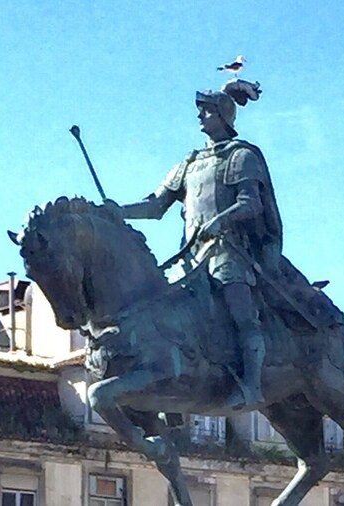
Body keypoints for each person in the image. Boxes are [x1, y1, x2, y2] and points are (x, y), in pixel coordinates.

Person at [108, 79, 276, 410]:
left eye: (206, 110)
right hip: (191, 256)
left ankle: (253, 384)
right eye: (200, 110)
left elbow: (251, 203)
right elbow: (156, 205)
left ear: (222, 116)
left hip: (228, 251)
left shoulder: (241, 156)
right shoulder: (190, 162)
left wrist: (221, 221)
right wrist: (118, 212)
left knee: (240, 310)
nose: (200, 116)